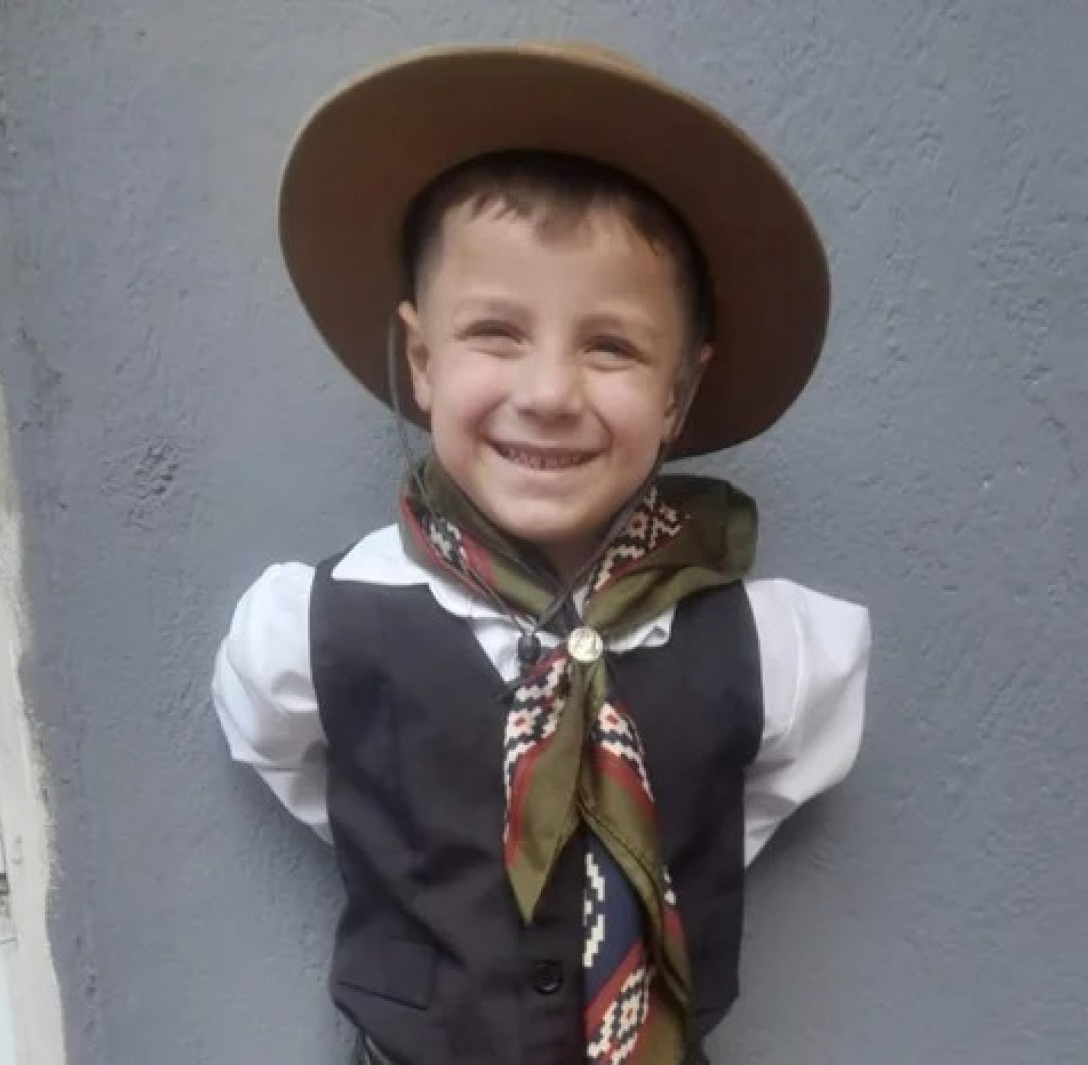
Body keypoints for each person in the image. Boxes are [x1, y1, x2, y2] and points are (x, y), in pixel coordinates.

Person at [211, 41, 871, 1065]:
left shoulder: (770, 644)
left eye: (610, 346)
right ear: (422, 360)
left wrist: (636, 850)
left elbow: (747, 800)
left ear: (678, 393)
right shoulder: (316, 626)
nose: (551, 393)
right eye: (495, 333)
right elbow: (298, 759)